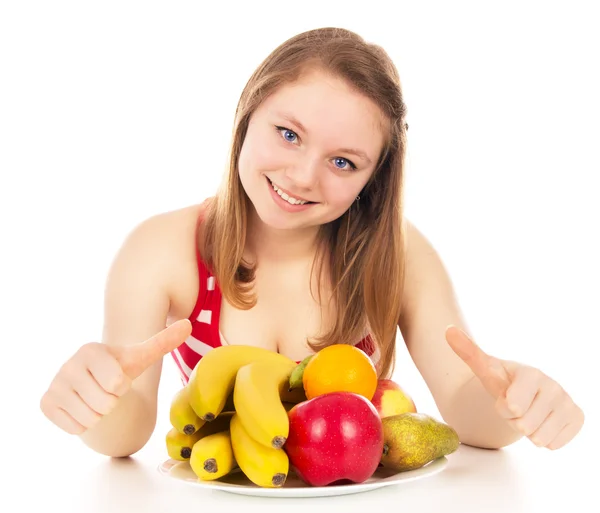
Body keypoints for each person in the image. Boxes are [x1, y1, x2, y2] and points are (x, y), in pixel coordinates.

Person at [39, 27, 584, 458]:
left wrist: (516, 404)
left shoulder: (397, 253)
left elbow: (467, 407)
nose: (302, 177)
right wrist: (96, 400)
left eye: (343, 162)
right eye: (289, 133)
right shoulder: (161, 249)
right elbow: (127, 432)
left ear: (373, 179)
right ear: (247, 114)